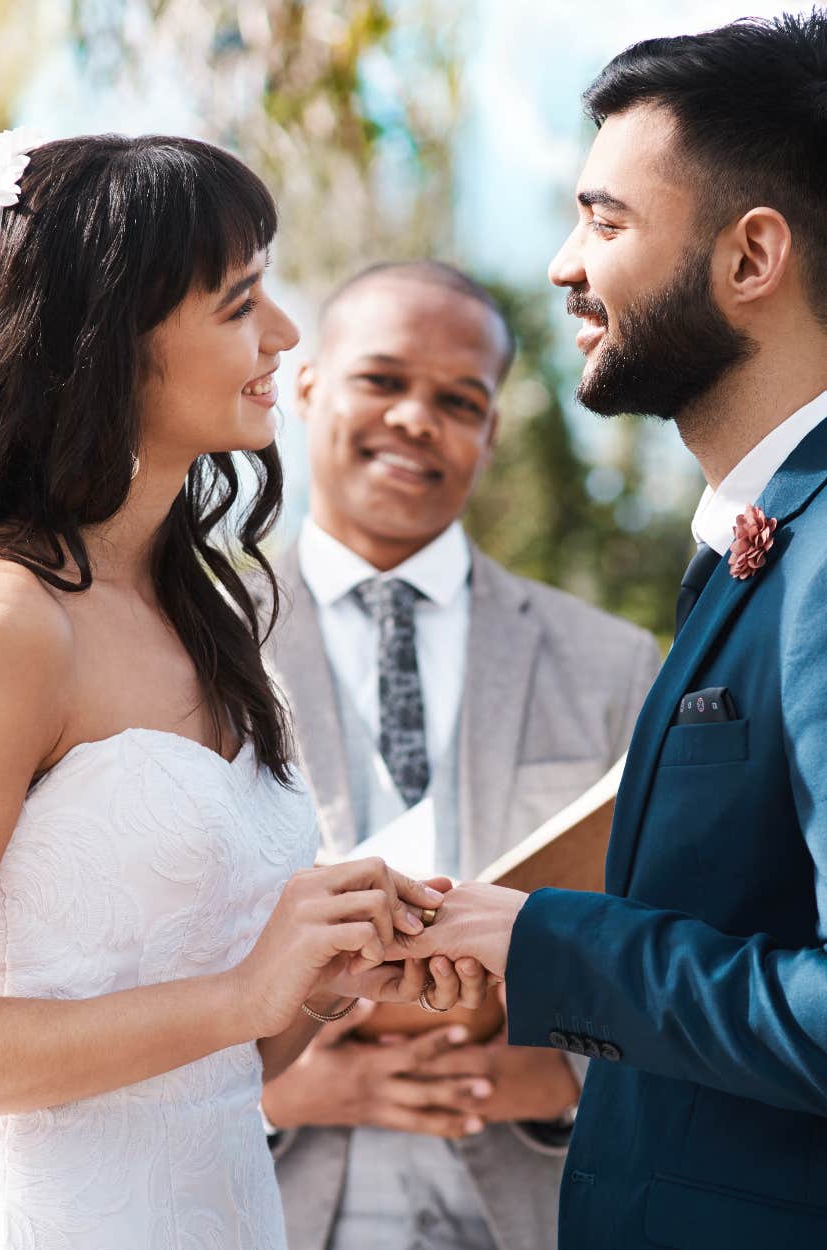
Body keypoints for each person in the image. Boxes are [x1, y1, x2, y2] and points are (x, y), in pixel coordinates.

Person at [0, 131, 486, 1250]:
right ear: (112, 340)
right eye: (240, 300)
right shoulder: (8, 625)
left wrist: (325, 973)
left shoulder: (206, 617)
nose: (285, 334)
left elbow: (226, 1063)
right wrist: (244, 991)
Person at [388, 10, 827, 1248]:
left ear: (751, 258)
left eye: (607, 219)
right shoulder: (760, 537)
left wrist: (548, 941)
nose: (560, 266)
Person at [259, 260, 660, 1250]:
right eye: (382, 380)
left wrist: (560, 1079)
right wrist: (274, 1083)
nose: (415, 418)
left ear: (487, 431)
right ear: (307, 385)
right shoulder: (192, 638)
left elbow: (679, 933)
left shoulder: (613, 662)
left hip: (534, 1199)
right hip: (255, 1200)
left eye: (457, 399)